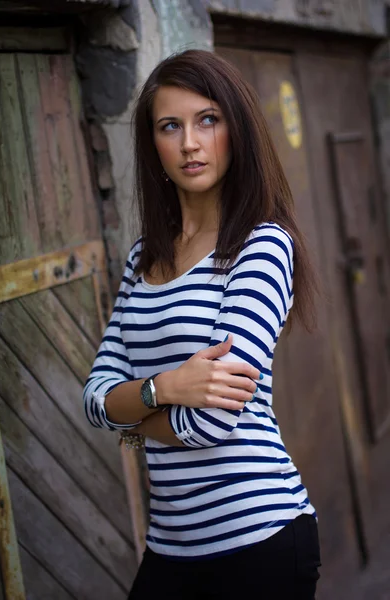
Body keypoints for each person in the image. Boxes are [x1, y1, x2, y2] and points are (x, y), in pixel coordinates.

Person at [83, 49, 321, 599]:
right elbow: (93, 397)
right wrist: (164, 388)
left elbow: (210, 425)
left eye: (207, 120)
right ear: (154, 145)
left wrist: (130, 416)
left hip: (259, 537)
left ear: (235, 129)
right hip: (171, 545)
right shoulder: (143, 258)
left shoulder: (261, 247)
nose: (190, 142)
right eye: (171, 126)